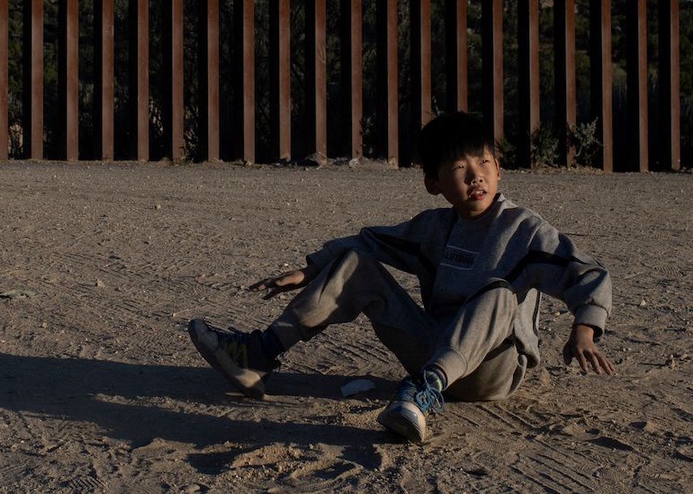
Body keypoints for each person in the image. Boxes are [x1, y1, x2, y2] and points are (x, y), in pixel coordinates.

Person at [188, 110, 615, 443]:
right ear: (434, 183)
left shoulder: (524, 230)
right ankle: (260, 354)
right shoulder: (433, 228)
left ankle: (423, 397)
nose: (475, 176)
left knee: (499, 294)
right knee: (355, 262)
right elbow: (369, 241)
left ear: (499, 169)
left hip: (491, 371)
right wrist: (310, 268)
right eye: (458, 168)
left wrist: (585, 329)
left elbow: (585, 271)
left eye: (484, 162)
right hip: (431, 348)